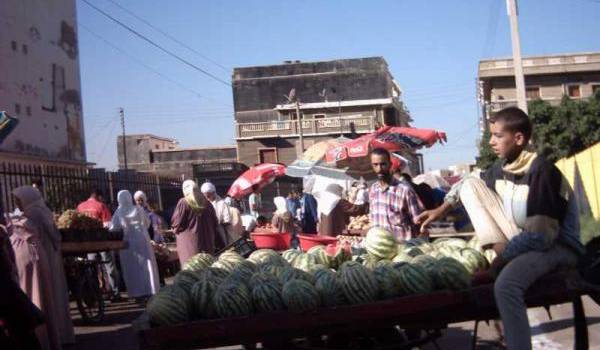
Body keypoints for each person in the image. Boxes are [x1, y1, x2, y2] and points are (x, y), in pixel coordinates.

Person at [416, 107, 584, 350]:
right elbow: (467, 181)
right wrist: (441, 209)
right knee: (470, 183)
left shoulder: (542, 172)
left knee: (506, 285)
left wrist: (502, 259)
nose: (492, 142)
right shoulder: (503, 167)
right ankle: (501, 250)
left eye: (498, 136)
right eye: (491, 136)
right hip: (526, 239)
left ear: (518, 139)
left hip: (557, 246)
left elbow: (540, 237)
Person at [10, 186, 74, 349]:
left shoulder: (37, 212)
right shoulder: (30, 213)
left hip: (44, 256)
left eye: (19, 199)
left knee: (48, 293)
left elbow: (51, 235)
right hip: (41, 255)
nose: (17, 203)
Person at [109, 190, 160, 302]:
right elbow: (147, 223)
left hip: (128, 244)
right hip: (143, 240)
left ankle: (137, 293)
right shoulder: (138, 209)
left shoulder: (119, 211)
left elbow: (113, 227)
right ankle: (150, 290)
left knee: (131, 268)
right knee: (146, 266)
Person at [369, 148, 424, 241]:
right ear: (372, 166)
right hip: (380, 249)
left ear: (390, 164)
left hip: (401, 250)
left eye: (383, 164)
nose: (379, 169)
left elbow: (419, 222)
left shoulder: (404, 190)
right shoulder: (373, 190)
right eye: (376, 165)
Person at [77, 189, 121, 301]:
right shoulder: (101, 206)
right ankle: (114, 293)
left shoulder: (80, 207)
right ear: (98, 196)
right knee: (109, 266)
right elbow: (108, 225)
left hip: (88, 243)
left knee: (92, 268)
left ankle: (95, 293)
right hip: (101, 241)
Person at [171, 180, 218, 265]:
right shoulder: (207, 203)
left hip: (190, 245)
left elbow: (176, 223)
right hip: (208, 244)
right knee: (207, 268)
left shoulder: (184, 202)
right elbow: (215, 223)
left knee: (192, 271)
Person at [200, 182, 232, 250]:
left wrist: (216, 223)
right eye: (205, 196)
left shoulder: (222, 203)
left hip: (219, 233)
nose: (207, 198)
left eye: (208, 196)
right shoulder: (201, 204)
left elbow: (227, 221)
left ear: (213, 193)